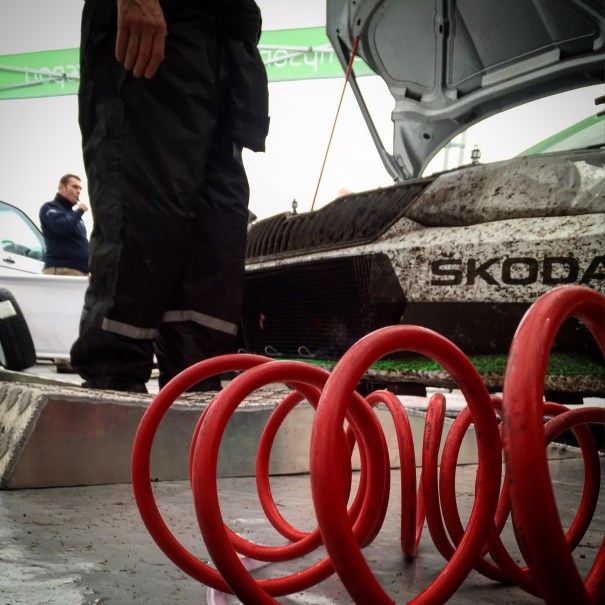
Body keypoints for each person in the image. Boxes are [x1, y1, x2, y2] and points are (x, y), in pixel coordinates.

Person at [71, 0, 269, 393]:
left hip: (223, 44)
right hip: (155, 32)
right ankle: (112, 390)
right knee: (143, 231)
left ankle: (198, 395)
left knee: (216, 243)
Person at [39, 174, 89, 276]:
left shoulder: (73, 215)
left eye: (80, 188)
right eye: (75, 187)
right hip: (62, 271)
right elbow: (62, 227)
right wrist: (80, 210)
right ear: (61, 187)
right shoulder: (49, 208)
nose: (78, 191)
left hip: (80, 273)